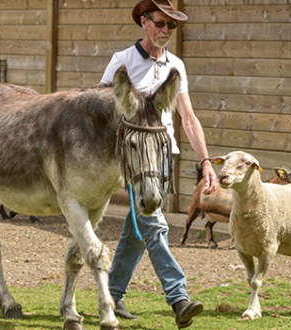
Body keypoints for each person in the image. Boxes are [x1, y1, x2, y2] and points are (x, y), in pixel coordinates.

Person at [100, 0, 218, 328]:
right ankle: (178, 297)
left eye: (172, 26)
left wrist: (206, 162)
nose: (166, 30)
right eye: (160, 23)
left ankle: (111, 293)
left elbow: (188, 118)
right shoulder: (122, 61)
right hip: (136, 157)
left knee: (138, 228)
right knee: (152, 221)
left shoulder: (175, 65)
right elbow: (101, 108)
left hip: (164, 156)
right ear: (144, 21)